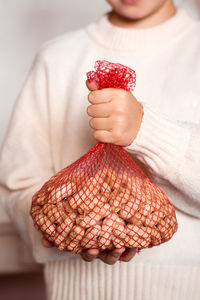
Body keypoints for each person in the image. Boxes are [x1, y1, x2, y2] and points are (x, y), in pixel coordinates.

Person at [0, 0, 200, 299]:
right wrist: (70, 227)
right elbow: (17, 183)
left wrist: (147, 131)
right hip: (75, 291)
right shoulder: (56, 59)